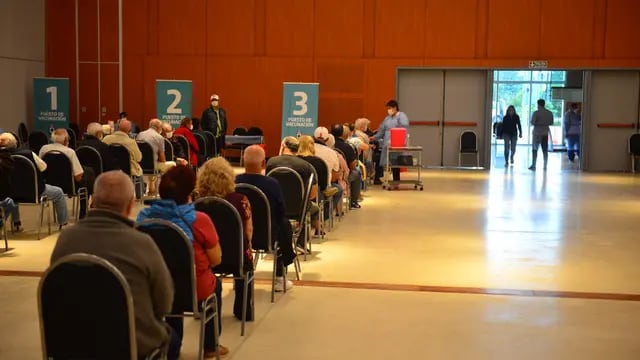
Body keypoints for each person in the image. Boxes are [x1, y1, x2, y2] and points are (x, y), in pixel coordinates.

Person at [50, 171, 180, 359]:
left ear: (93, 201)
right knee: (172, 341)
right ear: (130, 205)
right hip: (130, 345)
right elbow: (165, 303)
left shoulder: (65, 239)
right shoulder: (142, 243)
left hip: (72, 342)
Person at [137, 166, 228, 357]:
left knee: (173, 287)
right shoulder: (199, 219)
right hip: (193, 289)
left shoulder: (143, 218)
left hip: (156, 288)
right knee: (215, 285)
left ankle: (173, 347)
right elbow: (216, 259)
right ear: (190, 191)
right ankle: (211, 346)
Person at [196, 157, 255, 321]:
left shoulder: (197, 202)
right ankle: (243, 310)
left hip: (206, 259)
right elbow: (248, 230)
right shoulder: (241, 199)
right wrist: (246, 244)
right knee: (247, 265)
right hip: (236, 257)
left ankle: (203, 306)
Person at [235, 145, 295, 291]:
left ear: (243, 162)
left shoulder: (234, 182)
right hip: (267, 236)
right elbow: (282, 211)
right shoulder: (272, 184)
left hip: (240, 238)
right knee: (284, 224)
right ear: (263, 164)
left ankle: (240, 278)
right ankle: (280, 277)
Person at [0, 132, 68, 229]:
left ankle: (16, 224)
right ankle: (63, 223)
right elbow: (44, 168)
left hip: (9, 193)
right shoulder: (29, 154)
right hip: (34, 192)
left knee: (14, 195)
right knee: (58, 192)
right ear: (16, 143)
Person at [266, 136, 321, 243]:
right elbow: (313, 194)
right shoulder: (307, 166)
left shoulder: (271, 163)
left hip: (275, 207)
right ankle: (300, 243)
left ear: (283, 146)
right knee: (314, 208)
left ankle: (274, 240)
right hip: (298, 209)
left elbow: (268, 187)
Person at [39, 129, 95, 218]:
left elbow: (40, 169)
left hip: (49, 184)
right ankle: (83, 212)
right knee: (88, 175)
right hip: (69, 187)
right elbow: (78, 177)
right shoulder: (70, 152)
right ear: (66, 140)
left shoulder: (44, 149)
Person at [102, 119, 145, 198]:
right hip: (128, 170)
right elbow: (139, 158)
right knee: (139, 170)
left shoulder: (106, 139)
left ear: (118, 127)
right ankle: (140, 196)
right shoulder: (131, 142)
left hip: (109, 169)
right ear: (129, 130)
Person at [372, 100, 410, 185]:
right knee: (389, 163)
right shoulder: (387, 118)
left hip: (397, 143)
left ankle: (396, 181)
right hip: (387, 144)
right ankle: (388, 180)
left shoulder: (401, 116)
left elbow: (403, 129)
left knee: (396, 162)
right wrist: (374, 137)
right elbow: (382, 130)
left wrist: (395, 140)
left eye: (389, 108)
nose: (388, 110)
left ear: (395, 108)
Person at [137, 119, 177, 194]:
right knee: (172, 164)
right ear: (159, 128)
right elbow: (162, 159)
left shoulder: (140, 134)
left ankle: (151, 189)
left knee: (153, 162)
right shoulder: (159, 137)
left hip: (140, 165)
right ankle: (168, 190)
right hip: (153, 166)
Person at [331, 124, 362, 209]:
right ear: (343, 134)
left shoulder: (328, 146)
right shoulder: (347, 147)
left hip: (328, 176)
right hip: (343, 176)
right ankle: (353, 201)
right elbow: (352, 167)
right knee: (357, 173)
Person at [528, 99, 554, 171]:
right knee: (544, 150)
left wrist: (538, 123)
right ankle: (545, 165)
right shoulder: (549, 113)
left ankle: (534, 165)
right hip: (545, 133)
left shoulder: (536, 113)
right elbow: (551, 122)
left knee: (534, 149)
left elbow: (532, 122)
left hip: (536, 133)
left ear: (538, 104)